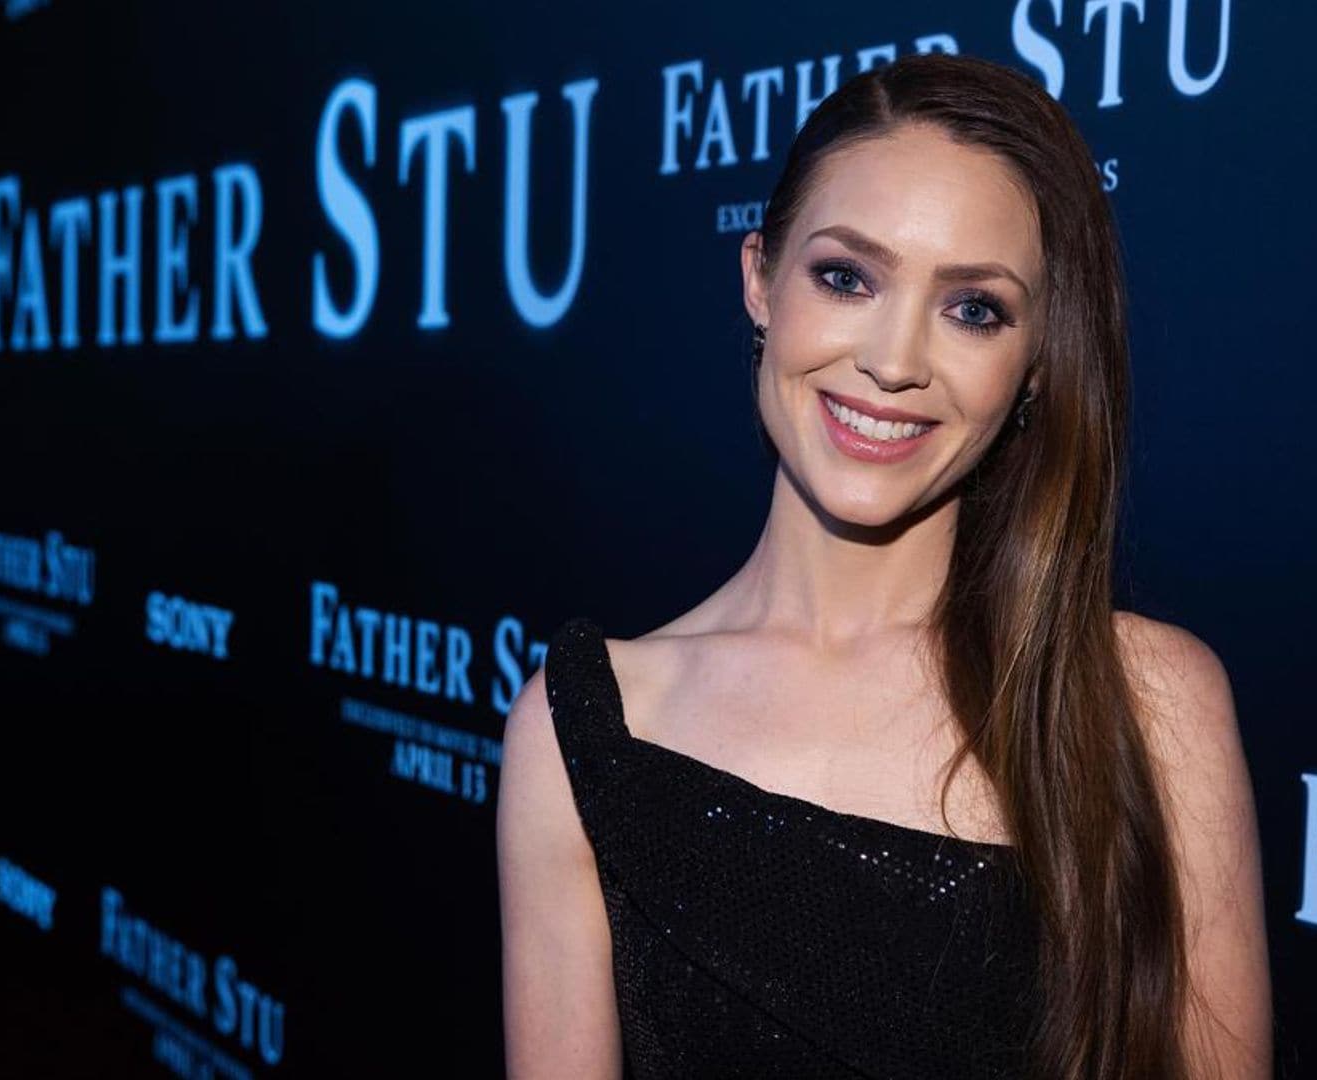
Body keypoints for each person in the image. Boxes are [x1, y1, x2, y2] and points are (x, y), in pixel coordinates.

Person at [497, 51, 1272, 1079]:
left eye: (974, 309)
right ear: (760, 282)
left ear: (1036, 362)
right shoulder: (588, 730)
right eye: (846, 277)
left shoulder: (1148, 704)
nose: (896, 360)